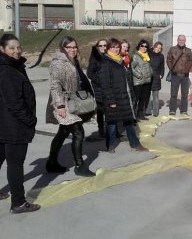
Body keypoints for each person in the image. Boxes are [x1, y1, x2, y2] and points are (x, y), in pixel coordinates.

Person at [0, 34, 41, 214]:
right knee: (15, 164)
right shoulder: (6, 70)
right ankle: (19, 203)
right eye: (12, 48)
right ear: (2, 49)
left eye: (18, 47)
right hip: (13, 125)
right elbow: (15, 103)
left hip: (1, 123)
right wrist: (30, 120)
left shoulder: (5, 65)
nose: (17, 51)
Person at [45, 36, 96, 177]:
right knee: (79, 132)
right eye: (69, 47)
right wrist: (60, 105)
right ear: (63, 48)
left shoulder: (73, 61)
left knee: (63, 133)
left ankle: (51, 162)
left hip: (73, 102)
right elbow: (55, 85)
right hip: (64, 102)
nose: (73, 49)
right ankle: (79, 166)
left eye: (75, 47)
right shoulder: (58, 63)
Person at [99, 38, 148, 153]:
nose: (115, 49)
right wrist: (111, 100)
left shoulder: (120, 60)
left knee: (129, 121)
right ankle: (110, 145)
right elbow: (105, 83)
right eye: (113, 47)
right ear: (108, 49)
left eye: (117, 47)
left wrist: (132, 94)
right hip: (114, 98)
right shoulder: (105, 61)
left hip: (125, 97)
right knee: (111, 122)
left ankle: (135, 144)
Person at [166, 34, 192, 115]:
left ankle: (184, 110)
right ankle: (172, 110)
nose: (181, 41)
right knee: (173, 94)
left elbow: (191, 61)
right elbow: (168, 60)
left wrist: (187, 69)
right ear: (177, 40)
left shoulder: (188, 50)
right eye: (180, 40)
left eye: (183, 40)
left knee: (185, 94)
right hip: (175, 75)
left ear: (185, 41)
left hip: (185, 76)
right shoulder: (172, 49)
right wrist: (172, 69)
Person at [87, 38, 108, 137]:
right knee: (101, 110)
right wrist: (100, 80)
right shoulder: (95, 57)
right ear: (97, 47)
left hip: (108, 87)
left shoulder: (109, 56)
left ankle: (111, 129)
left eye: (105, 45)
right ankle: (101, 129)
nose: (103, 47)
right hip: (99, 88)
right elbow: (89, 73)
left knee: (110, 109)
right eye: (101, 45)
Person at [131, 39, 153, 120]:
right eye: (142, 46)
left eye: (146, 46)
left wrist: (151, 73)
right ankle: (132, 117)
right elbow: (132, 68)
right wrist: (139, 75)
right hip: (138, 81)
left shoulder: (147, 55)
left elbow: (148, 67)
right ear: (139, 46)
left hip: (146, 81)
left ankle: (140, 115)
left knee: (143, 99)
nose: (144, 48)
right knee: (136, 99)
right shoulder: (135, 56)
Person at [148, 41, 165, 117]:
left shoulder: (161, 56)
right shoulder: (148, 53)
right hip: (148, 77)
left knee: (155, 96)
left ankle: (155, 112)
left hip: (156, 77)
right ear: (154, 47)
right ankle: (147, 111)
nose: (158, 49)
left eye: (159, 48)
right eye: (157, 47)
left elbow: (162, 67)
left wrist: (161, 74)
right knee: (147, 96)